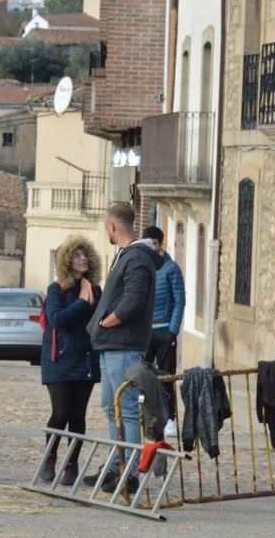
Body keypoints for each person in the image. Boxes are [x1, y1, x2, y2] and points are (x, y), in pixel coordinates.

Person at [83, 203, 164, 494]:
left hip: (124, 345)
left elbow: (134, 300)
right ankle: (116, 466)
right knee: (111, 408)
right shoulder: (126, 256)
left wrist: (106, 323)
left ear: (113, 227)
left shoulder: (138, 258)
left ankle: (129, 472)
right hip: (111, 346)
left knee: (127, 410)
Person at [40, 235, 103, 485]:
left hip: (85, 358)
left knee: (78, 414)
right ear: (67, 260)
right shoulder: (57, 289)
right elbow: (56, 319)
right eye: (77, 255)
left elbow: (99, 320)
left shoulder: (95, 290)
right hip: (59, 358)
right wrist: (80, 303)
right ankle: (50, 457)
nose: (83, 258)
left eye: (85, 254)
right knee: (60, 412)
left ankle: (72, 465)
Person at [142, 225, 185, 410]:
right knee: (141, 375)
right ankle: (146, 413)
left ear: (160, 244)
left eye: (154, 243)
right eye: (147, 243)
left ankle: (169, 418)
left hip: (164, 330)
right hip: (144, 333)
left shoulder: (171, 268)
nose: (151, 247)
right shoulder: (141, 266)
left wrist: (172, 330)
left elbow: (179, 300)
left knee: (166, 377)